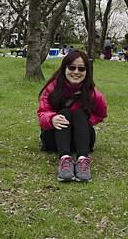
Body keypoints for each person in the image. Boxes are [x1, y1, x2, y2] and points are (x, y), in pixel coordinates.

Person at [37, 49, 107, 182]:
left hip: (82, 141)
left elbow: (101, 114)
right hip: (56, 138)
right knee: (64, 113)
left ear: (87, 72)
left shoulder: (93, 94)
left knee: (79, 114)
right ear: (64, 68)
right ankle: (64, 160)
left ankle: (82, 160)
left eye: (81, 69)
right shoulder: (52, 88)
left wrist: (84, 124)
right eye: (72, 67)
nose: (76, 72)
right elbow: (42, 113)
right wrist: (52, 119)